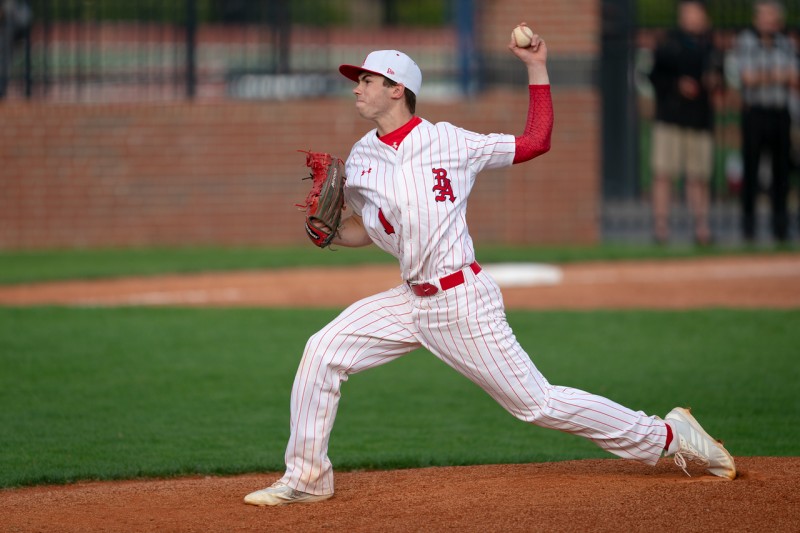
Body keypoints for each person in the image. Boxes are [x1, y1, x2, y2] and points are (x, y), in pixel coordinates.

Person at [244, 24, 736, 507]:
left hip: (462, 302)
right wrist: (328, 232)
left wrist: (537, 67)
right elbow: (363, 230)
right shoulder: (363, 157)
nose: (358, 88)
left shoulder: (450, 142)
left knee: (537, 404)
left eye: (368, 80)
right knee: (323, 349)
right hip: (409, 299)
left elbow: (536, 140)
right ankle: (307, 477)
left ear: (397, 90)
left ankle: (670, 434)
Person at [648, 0, 723, 245]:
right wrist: (677, 85)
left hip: (699, 121)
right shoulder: (669, 44)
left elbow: (721, 83)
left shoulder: (711, 47)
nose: (690, 18)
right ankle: (661, 228)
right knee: (663, 173)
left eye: (695, 13)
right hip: (670, 118)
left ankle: (701, 228)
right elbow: (653, 76)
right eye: (686, 13)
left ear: (704, 17)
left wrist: (714, 83)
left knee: (698, 176)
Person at [735, 0, 797, 243]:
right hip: (755, 112)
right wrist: (777, 76)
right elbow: (747, 79)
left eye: (771, 16)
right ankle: (748, 228)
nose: (767, 21)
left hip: (780, 112)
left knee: (781, 172)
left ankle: (780, 227)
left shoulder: (786, 44)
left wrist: (766, 76)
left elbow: (794, 79)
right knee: (751, 170)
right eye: (763, 16)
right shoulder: (746, 43)